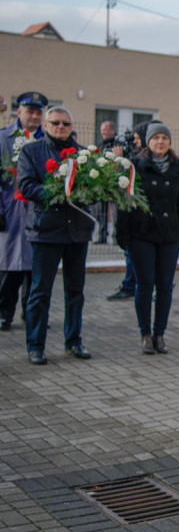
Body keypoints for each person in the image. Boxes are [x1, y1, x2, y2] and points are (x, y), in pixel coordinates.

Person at [17, 106, 95, 365]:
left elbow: (95, 189)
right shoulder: (31, 151)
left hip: (76, 232)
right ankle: (35, 345)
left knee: (75, 291)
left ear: (71, 127)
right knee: (40, 292)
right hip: (46, 231)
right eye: (55, 123)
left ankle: (74, 341)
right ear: (46, 125)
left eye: (65, 123)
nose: (60, 127)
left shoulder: (85, 154)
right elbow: (26, 185)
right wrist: (57, 193)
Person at [116, 123, 179, 354]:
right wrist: (123, 234)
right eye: (156, 138)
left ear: (170, 142)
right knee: (145, 284)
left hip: (169, 234)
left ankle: (160, 334)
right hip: (142, 233)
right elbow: (125, 202)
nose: (161, 142)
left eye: (164, 138)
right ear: (148, 142)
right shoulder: (136, 166)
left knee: (165, 287)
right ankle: (145, 334)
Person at [0, 92, 47, 331]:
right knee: (10, 265)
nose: (35, 116)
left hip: (39, 211)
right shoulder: (3, 139)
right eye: (30, 111)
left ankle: (33, 314)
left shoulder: (47, 139)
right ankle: (3, 313)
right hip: (11, 210)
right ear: (19, 112)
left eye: (39, 112)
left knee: (36, 267)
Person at [107, 120, 153, 301]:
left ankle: (130, 285)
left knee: (133, 255)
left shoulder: (140, 158)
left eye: (135, 138)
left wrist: (119, 159)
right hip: (132, 214)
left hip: (138, 214)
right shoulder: (136, 154)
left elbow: (125, 176)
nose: (133, 142)